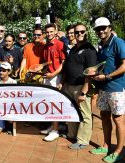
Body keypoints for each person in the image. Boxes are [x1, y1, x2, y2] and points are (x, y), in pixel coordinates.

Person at [90, 17, 125, 163]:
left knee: (118, 120)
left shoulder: (118, 42)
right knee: (104, 116)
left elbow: (124, 66)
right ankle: (106, 145)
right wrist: (95, 72)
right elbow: (104, 64)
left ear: (110, 27)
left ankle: (119, 151)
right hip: (103, 87)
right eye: (98, 29)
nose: (101, 31)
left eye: (103, 28)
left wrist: (107, 76)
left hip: (116, 87)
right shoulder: (101, 45)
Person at [59, 23, 97, 149]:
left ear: (86, 32)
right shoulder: (74, 48)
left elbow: (90, 73)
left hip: (81, 86)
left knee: (84, 114)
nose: (79, 34)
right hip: (69, 86)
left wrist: (84, 92)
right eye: (77, 32)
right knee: (71, 112)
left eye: (82, 32)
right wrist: (63, 83)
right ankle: (72, 134)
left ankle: (82, 140)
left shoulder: (90, 50)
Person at [41, 23, 66, 142]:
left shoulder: (60, 44)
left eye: (51, 32)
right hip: (48, 76)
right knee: (50, 103)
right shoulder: (46, 46)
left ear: (56, 32)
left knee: (55, 103)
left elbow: (63, 63)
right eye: (47, 32)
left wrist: (53, 74)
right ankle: (53, 126)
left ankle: (55, 131)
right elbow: (47, 63)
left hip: (56, 77)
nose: (49, 34)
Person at [0, 62, 17, 135]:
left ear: (9, 72)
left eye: (4, 70)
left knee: (11, 120)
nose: (1, 72)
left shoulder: (13, 82)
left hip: (9, 107)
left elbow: (15, 98)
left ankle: (8, 124)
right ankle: (1, 123)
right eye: (0, 70)